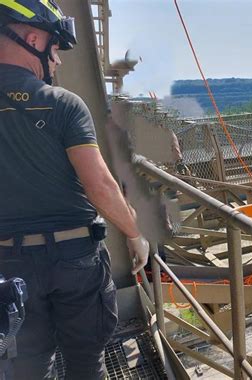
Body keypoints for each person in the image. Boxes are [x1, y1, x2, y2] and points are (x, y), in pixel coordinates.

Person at [0, 1, 149, 379]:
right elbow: (98, 184)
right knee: (85, 363)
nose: (58, 61)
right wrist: (134, 235)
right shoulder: (62, 103)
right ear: (31, 37)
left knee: (29, 365)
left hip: (9, 264)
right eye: (54, 48)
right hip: (74, 259)